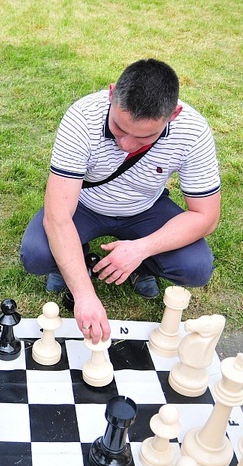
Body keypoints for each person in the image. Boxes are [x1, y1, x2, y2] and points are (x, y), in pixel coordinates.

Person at [20, 59, 220, 344]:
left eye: (144, 137)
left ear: (173, 114)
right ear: (112, 94)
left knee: (196, 267)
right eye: (119, 128)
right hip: (84, 205)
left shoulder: (193, 130)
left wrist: (141, 248)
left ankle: (139, 266)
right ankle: (75, 264)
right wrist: (84, 294)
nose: (125, 144)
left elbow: (206, 216)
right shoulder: (82, 117)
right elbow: (58, 216)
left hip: (145, 208)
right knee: (37, 254)